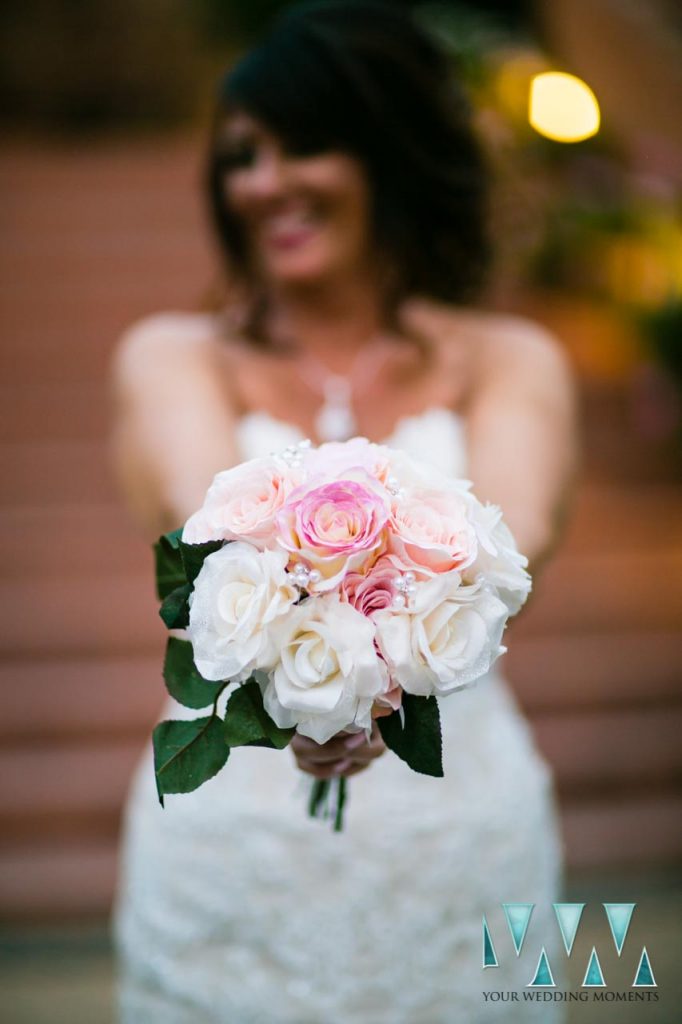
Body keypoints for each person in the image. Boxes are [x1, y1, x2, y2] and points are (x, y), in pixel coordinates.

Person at [111, 3, 578, 1021]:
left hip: (456, 832)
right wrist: (303, 681)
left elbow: (517, 538)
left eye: (303, 145)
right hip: (232, 845)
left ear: (389, 150)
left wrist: (370, 691)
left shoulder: (507, 360)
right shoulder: (171, 357)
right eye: (242, 155)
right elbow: (217, 534)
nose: (265, 181)